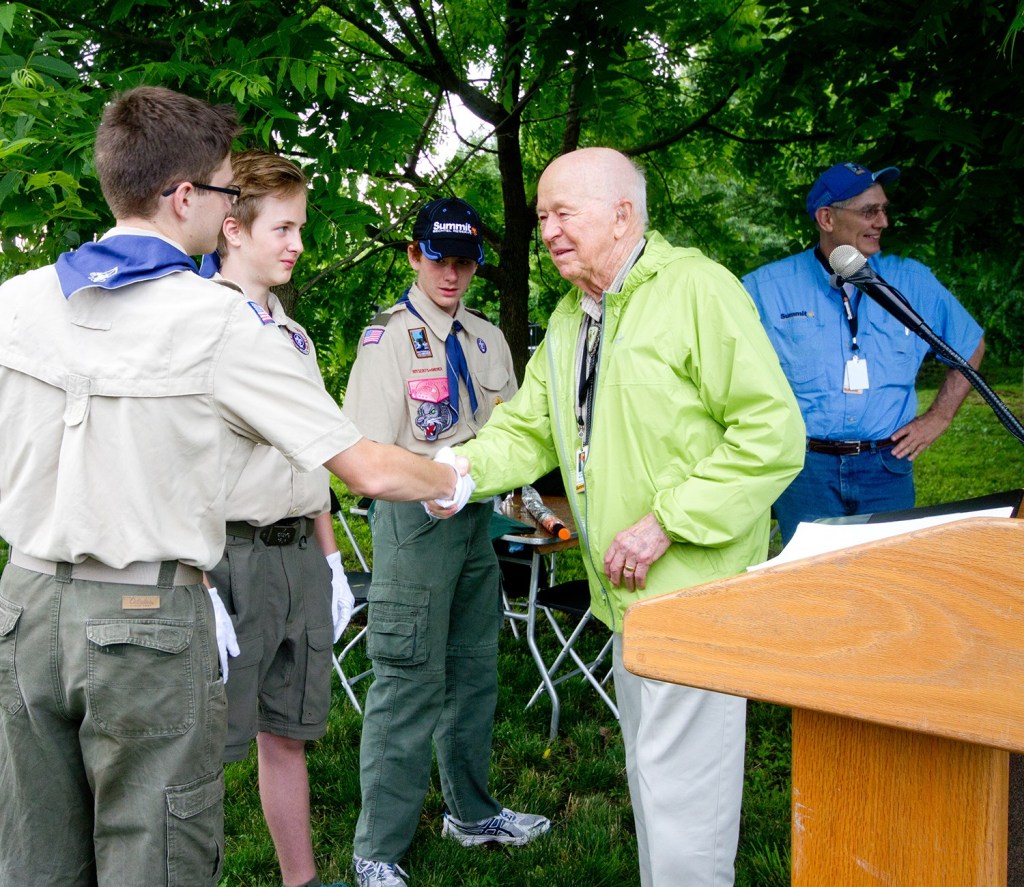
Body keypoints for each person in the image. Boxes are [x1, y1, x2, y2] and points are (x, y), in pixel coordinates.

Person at [0, 86, 470, 887]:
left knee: (36, 860)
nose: (229, 209)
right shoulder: (216, 321)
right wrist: (459, 474)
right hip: (145, 617)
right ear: (185, 197)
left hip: (23, 606)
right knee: (154, 857)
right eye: (224, 192)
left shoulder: (16, 300)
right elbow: (364, 464)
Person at [451, 148, 806, 887]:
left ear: (623, 214)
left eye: (562, 212)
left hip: (694, 597)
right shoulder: (572, 313)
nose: (545, 228)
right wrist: (453, 471)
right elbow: (530, 428)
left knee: (687, 816)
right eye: (540, 215)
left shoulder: (696, 290)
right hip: (627, 606)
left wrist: (665, 521)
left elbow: (772, 435)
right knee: (657, 792)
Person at [342, 197, 549, 887]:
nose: (452, 273)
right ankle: (378, 847)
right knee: (407, 682)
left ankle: (472, 811)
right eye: (439, 258)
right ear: (413, 254)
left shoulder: (487, 339)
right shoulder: (388, 340)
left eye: (465, 261)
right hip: (413, 523)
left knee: (473, 673)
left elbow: (512, 439)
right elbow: (366, 450)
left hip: (477, 524)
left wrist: (526, 504)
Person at [200, 150, 351, 887]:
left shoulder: (290, 330)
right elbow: (178, 466)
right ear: (233, 229)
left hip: (297, 554)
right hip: (231, 556)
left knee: (286, 733)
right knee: (203, 749)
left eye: (300, 227)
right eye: (283, 227)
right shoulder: (205, 326)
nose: (297, 243)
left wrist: (329, 559)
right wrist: (195, 577)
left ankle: (303, 881)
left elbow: (317, 456)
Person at [742, 161, 985, 544]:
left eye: (884, 210)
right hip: (804, 470)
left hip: (887, 466)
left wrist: (939, 417)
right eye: (869, 211)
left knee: (887, 582)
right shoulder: (765, 288)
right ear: (826, 218)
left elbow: (970, 345)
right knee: (814, 583)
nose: (883, 222)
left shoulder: (912, 281)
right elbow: (727, 370)